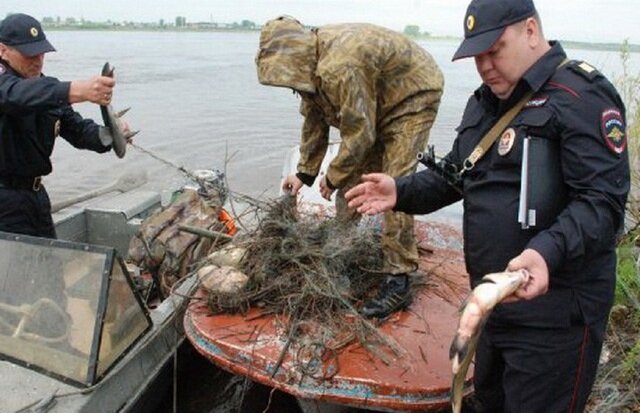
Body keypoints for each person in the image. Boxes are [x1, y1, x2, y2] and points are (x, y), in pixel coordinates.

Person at [346, 0, 629, 411]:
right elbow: (455, 177)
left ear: (531, 31)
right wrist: (400, 191)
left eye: (494, 50)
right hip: (491, 308)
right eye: (477, 55)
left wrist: (546, 252)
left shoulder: (580, 96)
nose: (484, 65)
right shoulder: (483, 103)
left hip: (556, 318)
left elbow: (602, 204)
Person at [256, 16, 444, 318]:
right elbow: (314, 123)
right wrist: (304, 173)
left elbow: (360, 134)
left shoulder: (341, 66)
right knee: (356, 183)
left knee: (394, 186)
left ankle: (399, 278)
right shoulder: (308, 71)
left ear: (296, 55)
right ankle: (342, 246)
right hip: (375, 101)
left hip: (411, 96)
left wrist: (332, 176)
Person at [0, 13, 126, 239]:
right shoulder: (12, 88)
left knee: (50, 263)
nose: (38, 60)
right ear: (2, 51)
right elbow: (16, 96)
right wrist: (78, 90)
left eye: (41, 52)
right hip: (4, 200)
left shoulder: (46, 90)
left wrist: (111, 134)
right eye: (29, 54)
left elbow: (78, 131)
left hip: (36, 195)